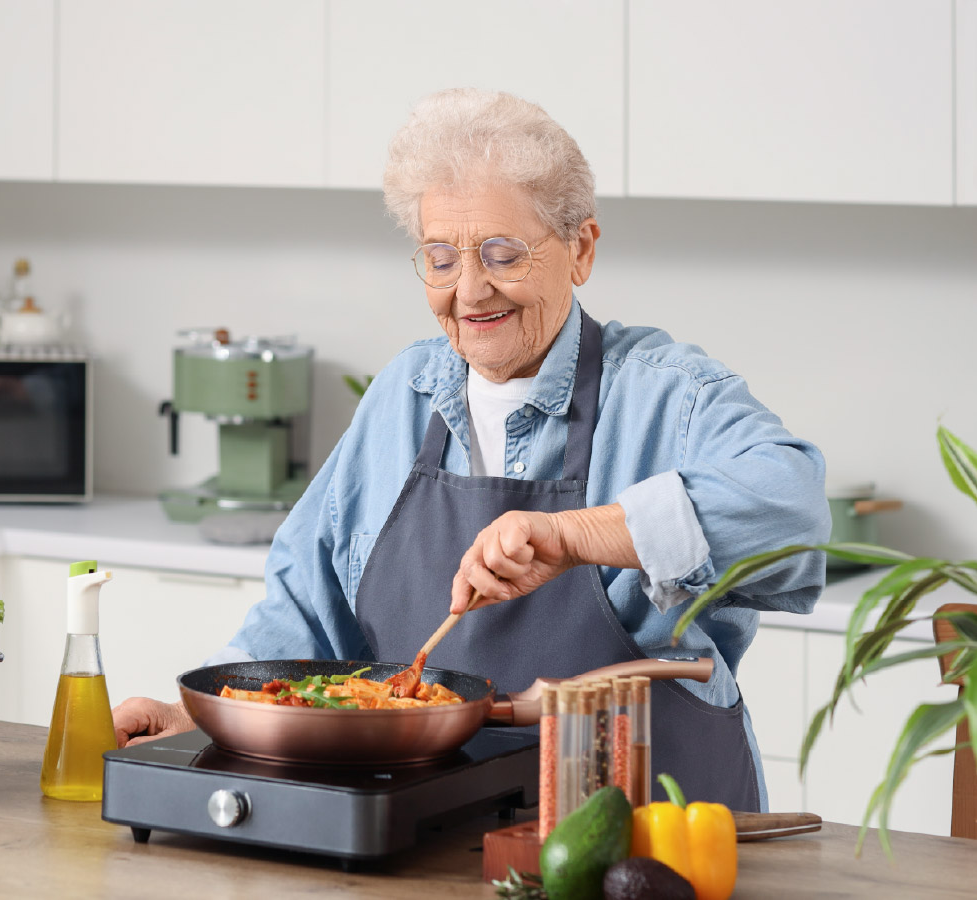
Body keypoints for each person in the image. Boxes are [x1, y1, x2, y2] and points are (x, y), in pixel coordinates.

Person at [112, 88, 830, 812]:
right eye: (440, 258)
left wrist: (576, 534)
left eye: (501, 254)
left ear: (580, 250)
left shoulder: (667, 397)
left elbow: (794, 504)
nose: (470, 290)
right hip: (435, 839)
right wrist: (206, 714)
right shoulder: (403, 395)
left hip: (654, 837)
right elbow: (306, 607)